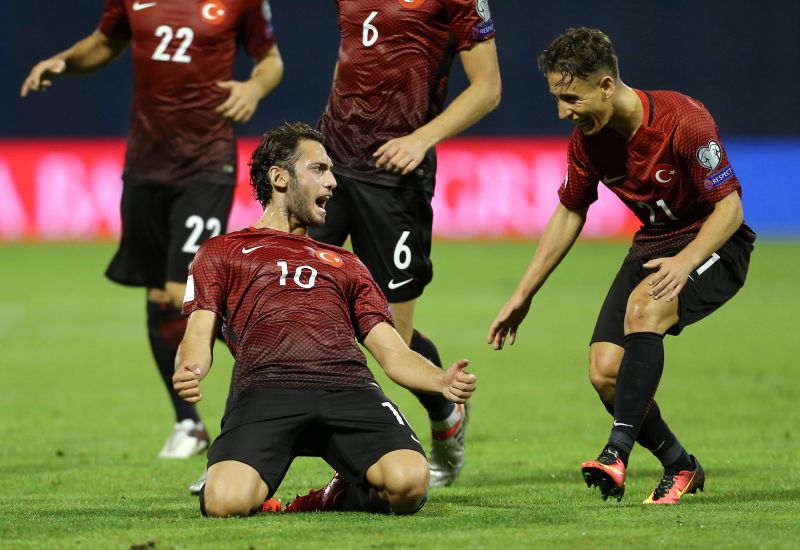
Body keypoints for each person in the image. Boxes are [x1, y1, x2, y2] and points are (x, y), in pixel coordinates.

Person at [488, 28, 755, 505]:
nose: (562, 112)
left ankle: (616, 452)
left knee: (644, 309)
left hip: (716, 243)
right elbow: (570, 211)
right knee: (605, 371)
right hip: (653, 244)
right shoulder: (588, 143)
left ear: (607, 86)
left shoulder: (684, 121)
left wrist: (686, 261)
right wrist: (523, 294)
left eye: (572, 98)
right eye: (557, 98)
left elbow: (730, 208)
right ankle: (681, 465)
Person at [21, 0, 284, 458]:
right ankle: (188, 423)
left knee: (183, 289)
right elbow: (105, 43)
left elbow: (271, 60)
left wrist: (253, 88)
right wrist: (63, 61)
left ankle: (275, 380)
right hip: (145, 165)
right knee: (159, 298)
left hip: (205, 163)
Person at [172, 122, 477, 517]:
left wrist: (439, 380)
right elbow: (199, 333)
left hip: (349, 389)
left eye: (331, 171)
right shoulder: (222, 251)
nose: (332, 182)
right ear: (280, 178)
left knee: (408, 484)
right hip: (266, 390)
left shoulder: (347, 263)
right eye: (319, 169)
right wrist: (190, 368)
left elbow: (393, 352)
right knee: (223, 502)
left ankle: (336, 496)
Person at [307, 0, 501, 488]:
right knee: (289, 303)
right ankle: (248, 454)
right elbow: (352, 52)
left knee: (389, 335)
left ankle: (444, 410)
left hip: (394, 177)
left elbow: (488, 89)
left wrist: (421, 139)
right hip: (332, 163)